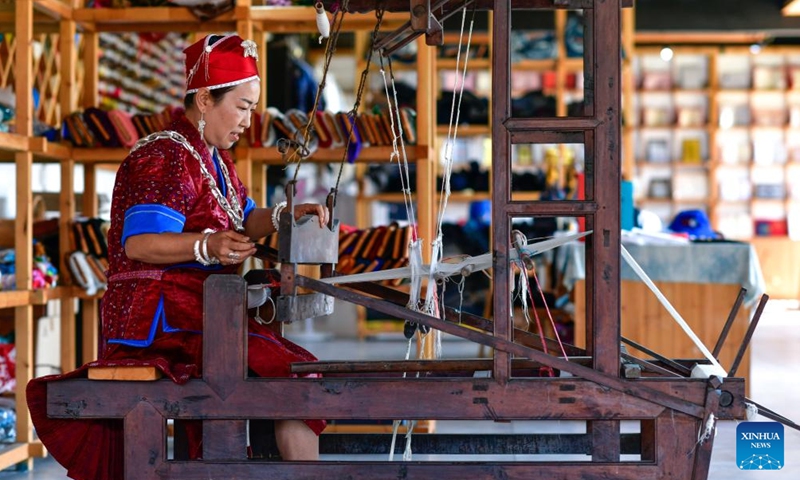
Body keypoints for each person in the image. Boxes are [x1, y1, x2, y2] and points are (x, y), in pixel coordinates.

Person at [27, 34, 327, 479]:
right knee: (291, 376)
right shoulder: (164, 154)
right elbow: (140, 243)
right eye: (242, 107)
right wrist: (209, 245)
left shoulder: (214, 161)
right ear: (205, 98)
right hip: (159, 323)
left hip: (200, 315)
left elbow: (244, 219)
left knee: (295, 372)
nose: (249, 119)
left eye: (252, 108)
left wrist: (287, 215)